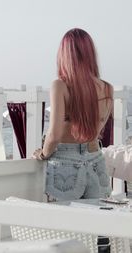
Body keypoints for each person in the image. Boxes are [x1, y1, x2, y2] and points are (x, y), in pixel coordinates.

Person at [33, 28, 113, 201]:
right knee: (96, 223)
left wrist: (43, 153)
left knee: (65, 225)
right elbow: (97, 130)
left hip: (66, 163)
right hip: (95, 159)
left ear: (65, 55)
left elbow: (55, 135)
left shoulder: (60, 86)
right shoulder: (107, 88)